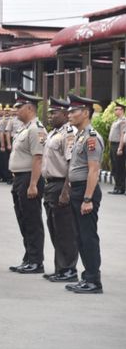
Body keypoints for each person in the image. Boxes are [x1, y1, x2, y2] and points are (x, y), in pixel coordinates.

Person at [65, 94, 104, 294]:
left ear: (86, 113)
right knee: (80, 236)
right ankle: (86, 276)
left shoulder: (91, 138)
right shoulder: (80, 135)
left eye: (74, 111)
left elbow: (94, 170)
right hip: (77, 190)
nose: (69, 114)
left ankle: (93, 280)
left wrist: (88, 198)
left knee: (88, 236)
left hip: (86, 192)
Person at [7, 91, 47, 275]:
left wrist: (33, 184)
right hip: (19, 179)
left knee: (32, 221)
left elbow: (37, 158)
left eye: (19, 107)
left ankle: (36, 261)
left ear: (30, 108)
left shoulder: (36, 129)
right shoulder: (25, 128)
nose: (16, 111)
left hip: (29, 179)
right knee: (23, 219)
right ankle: (29, 257)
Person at [41, 96, 79, 283]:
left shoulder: (68, 133)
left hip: (61, 184)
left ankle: (69, 269)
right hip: (50, 185)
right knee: (54, 228)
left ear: (64, 114)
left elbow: (72, 164)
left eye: (54, 113)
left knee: (65, 230)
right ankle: (60, 267)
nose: (50, 116)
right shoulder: (53, 132)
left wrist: (66, 190)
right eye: (49, 113)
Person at [108, 101, 126, 194]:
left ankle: (121, 188)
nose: (115, 111)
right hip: (113, 145)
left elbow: (122, 135)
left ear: (122, 110)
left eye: (116, 109)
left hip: (118, 145)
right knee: (115, 167)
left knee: (119, 167)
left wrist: (120, 148)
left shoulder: (123, 121)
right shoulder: (116, 121)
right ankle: (117, 187)